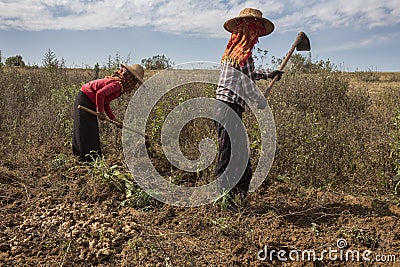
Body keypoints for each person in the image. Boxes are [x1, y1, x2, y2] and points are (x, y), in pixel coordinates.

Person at [215, 8, 283, 211]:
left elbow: (249, 73)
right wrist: (259, 101)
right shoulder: (242, 57)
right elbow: (248, 86)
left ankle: (235, 199)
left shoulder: (233, 54)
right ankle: (225, 201)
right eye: (253, 31)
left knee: (237, 155)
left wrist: (268, 74)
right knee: (230, 156)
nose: (255, 36)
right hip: (228, 109)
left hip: (225, 109)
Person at [72, 64, 144, 161]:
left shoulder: (119, 86)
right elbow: (100, 94)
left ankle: (84, 155)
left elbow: (105, 103)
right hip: (85, 98)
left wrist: (114, 119)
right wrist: (101, 112)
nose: (134, 84)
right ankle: (87, 157)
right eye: (134, 80)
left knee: (86, 127)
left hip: (86, 98)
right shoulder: (117, 85)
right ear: (128, 76)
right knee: (86, 127)